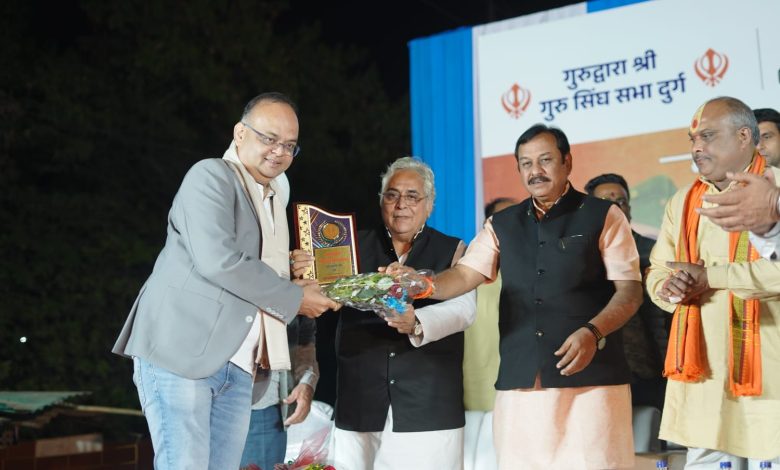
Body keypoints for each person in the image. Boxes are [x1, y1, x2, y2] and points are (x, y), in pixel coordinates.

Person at [112, 92, 338, 470]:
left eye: (289, 145)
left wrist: (288, 269)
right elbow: (219, 260)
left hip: (240, 364)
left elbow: (250, 261)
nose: (279, 151)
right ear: (240, 133)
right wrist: (293, 296)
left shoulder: (272, 199)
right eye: (269, 138)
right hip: (183, 350)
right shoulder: (211, 176)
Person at [396, 124, 643, 469]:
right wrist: (421, 284)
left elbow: (630, 292)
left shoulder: (603, 215)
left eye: (545, 160)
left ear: (567, 162)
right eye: (526, 164)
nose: (535, 171)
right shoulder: (502, 223)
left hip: (592, 383)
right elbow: (465, 275)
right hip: (522, 383)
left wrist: (593, 332)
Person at [646, 96, 780, 468]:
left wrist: (711, 278)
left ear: (743, 137)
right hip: (704, 381)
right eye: (692, 139)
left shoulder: (775, 190)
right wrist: (670, 290)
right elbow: (657, 270)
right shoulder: (683, 202)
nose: (696, 147)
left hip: (769, 380)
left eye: (707, 136)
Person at [329, 157, 477, 470]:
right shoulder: (349, 247)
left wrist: (417, 323)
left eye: (412, 196)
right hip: (360, 399)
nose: (401, 205)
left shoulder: (453, 248)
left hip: (428, 403)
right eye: (392, 195)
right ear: (381, 201)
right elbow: (322, 293)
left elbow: (464, 310)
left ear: (429, 205)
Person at [585, 173, 668, 410]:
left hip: (651, 364)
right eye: (605, 202)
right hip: (599, 368)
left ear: (629, 208)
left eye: (620, 201)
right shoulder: (581, 255)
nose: (615, 208)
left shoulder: (654, 251)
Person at [240, 316, 318, 470]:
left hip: (264, 410)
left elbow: (305, 340)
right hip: (209, 400)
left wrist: (307, 380)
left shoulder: (302, 304)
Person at [462, 197, 516, 411]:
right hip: (478, 387)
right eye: (504, 219)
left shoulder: (542, 270)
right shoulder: (467, 270)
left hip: (525, 387)